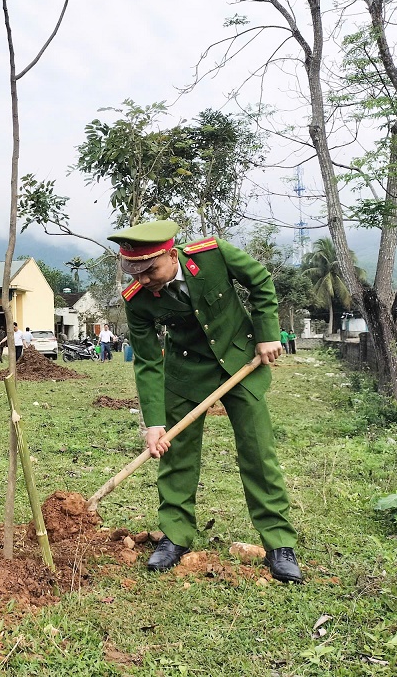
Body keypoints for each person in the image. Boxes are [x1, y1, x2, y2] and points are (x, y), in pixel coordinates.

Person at [110, 220, 302, 584]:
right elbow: (149, 360)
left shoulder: (212, 255)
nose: (145, 279)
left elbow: (260, 281)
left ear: (170, 254)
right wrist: (154, 423)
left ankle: (279, 543)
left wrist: (267, 334)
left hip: (241, 361)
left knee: (258, 451)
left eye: (150, 269)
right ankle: (176, 536)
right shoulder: (136, 299)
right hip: (186, 374)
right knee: (176, 454)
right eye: (135, 272)